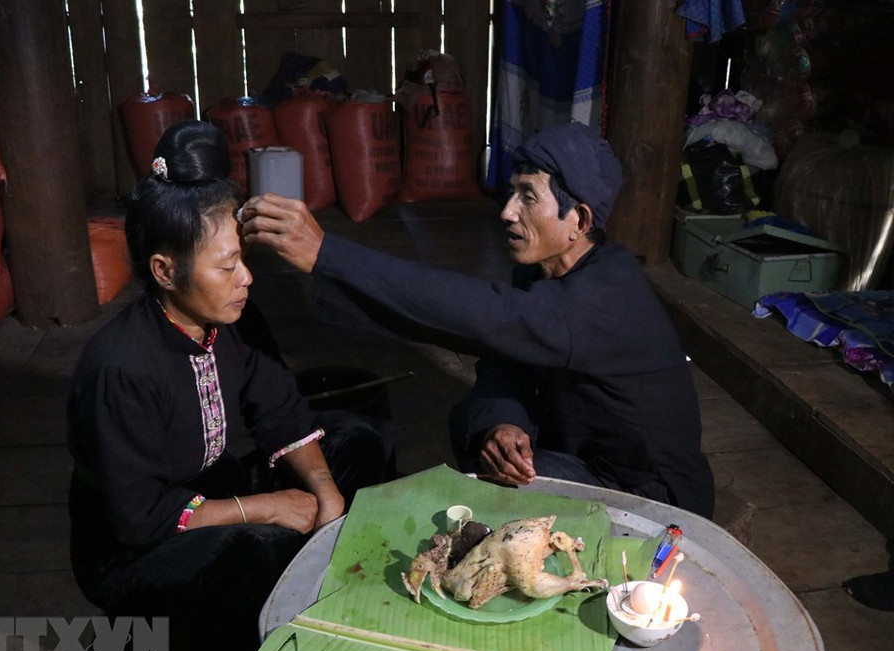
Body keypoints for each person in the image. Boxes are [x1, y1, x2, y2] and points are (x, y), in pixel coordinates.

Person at [240, 122, 715, 519]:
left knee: (470, 515)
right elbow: (502, 357)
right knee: (474, 421)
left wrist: (329, 254)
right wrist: (503, 423)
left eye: (528, 197)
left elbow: (475, 314)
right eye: (512, 193)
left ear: (580, 221)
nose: (507, 212)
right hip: (581, 455)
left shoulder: (605, 298)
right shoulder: (541, 271)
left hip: (651, 497)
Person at [67, 120, 387, 651]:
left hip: (213, 489)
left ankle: (323, 603)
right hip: (133, 545)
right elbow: (139, 518)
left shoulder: (231, 319)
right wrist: (266, 507)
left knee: (358, 444)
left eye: (241, 259)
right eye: (225, 267)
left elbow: (282, 412)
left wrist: (326, 496)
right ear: (165, 271)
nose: (246, 278)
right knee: (245, 554)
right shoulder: (121, 368)